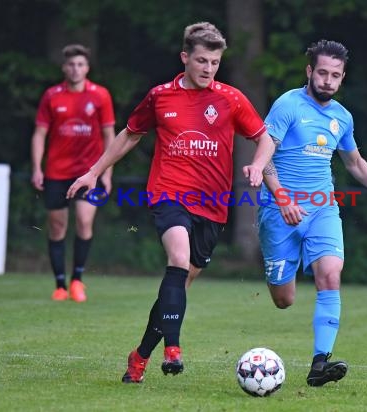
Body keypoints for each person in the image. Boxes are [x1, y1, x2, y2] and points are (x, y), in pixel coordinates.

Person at [66, 22, 276, 383]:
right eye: (201, 61)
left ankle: (139, 355)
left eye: (214, 62)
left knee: (178, 286)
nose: (208, 68)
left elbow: (265, 138)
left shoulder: (231, 98)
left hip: (213, 206)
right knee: (177, 258)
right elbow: (130, 135)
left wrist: (257, 166)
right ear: (185, 58)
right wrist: (94, 171)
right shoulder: (160, 96)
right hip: (169, 193)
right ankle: (173, 350)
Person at [258, 40, 367, 387]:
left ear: (342, 78)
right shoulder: (287, 105)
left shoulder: (342, 117)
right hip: (278, 210)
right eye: (322, 72)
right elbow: (264, 157)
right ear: (309, 71)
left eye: (335, 75)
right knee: (284, 300)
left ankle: (319, 364)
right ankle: (284, 276)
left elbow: (354, 162)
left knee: (330, 274)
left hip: (323, 208)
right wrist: (282, 199)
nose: (328, 80)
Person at [30, 44, 116, 302]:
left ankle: (78, 280)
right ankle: (59, 285)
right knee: (57, 227)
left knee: (84, 220)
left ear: (87, 68)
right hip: (56, 171)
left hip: (91, 172)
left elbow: (110, 134)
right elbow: (40, 133)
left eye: (80, 64)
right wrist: (36, 168)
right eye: (71, 64)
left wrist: (107, 173)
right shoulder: (52, 96)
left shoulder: (100, 95)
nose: (75, 69)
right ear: (64, 67)